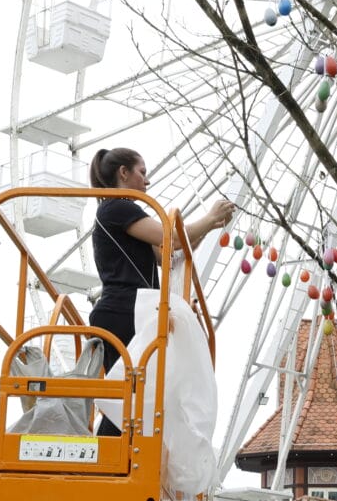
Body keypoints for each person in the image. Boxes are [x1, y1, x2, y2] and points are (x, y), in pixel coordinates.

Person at [88, 147, 234, 435]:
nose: (147, 180)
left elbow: (168, 253)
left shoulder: (113, 211)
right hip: (126, 309)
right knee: (130, 393)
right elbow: (172, 238)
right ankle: (107, 449)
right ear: (123, 173)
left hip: (123, 310)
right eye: (142, 172)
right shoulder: (118, 207)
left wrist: (208, 226)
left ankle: (112, 448)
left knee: (132, 392)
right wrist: (209, 218)